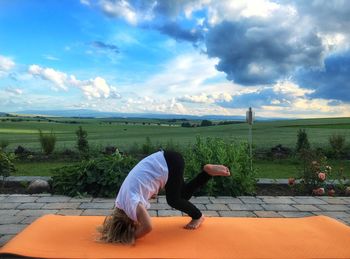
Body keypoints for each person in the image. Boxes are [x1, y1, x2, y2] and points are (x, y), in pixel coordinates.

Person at [98, 150, 230, 244]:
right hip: (167, 159)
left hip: (168, 164)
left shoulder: (132, 206)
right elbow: (139, 184)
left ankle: (198, 216)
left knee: (173, 200)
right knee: (182, 195)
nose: (136, 222)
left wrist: (131, 237)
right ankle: (207, 173)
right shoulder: (120, 202)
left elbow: (148, 227)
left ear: (128, 221)